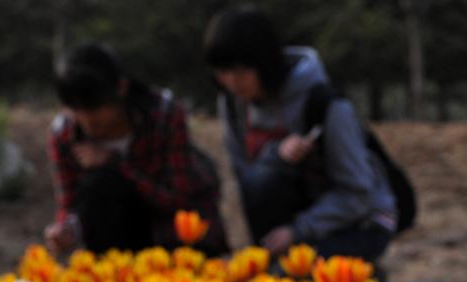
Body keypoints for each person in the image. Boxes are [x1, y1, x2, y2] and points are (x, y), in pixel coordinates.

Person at [204, 6, 397, 262]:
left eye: (241, 72)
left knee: (300, 278)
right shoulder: (233, 105)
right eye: (222, 72)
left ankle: (359, 270)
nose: (232, 82)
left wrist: (297, 231)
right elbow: (248, 180)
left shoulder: (325, 105)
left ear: (265, 64)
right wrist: (276, 157)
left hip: (357, 221)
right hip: (294, 223)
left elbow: (358, 193)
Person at [45, 42, 227, 255]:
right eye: (76, 109)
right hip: (116, 243)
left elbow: (178, 200)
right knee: (99, 185)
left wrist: (117, 163)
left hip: (174, 237)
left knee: (106, 178)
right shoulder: (65, 134)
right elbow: (69, 204)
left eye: (94, 107)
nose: (86, 120)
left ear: (121, 88)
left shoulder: (163, 116)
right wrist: (67, 229)